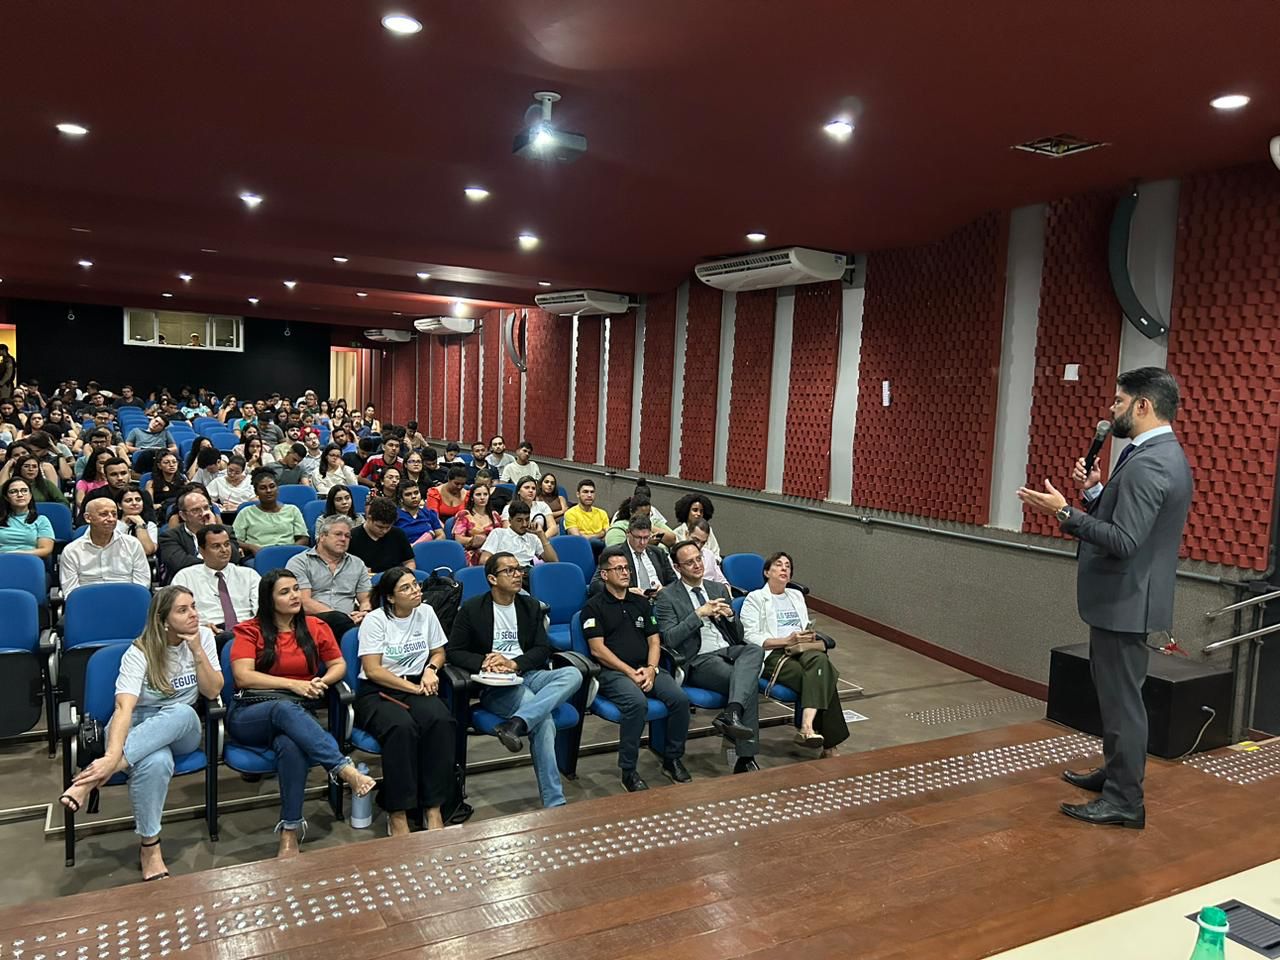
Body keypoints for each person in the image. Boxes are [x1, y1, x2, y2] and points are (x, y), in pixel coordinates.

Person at [1018, 367, 1193, 830]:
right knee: (1118, 697)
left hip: (1125, 600)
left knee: (1122, 704)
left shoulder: (1151, 461)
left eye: (1118, 402)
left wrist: (1066, 513)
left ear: (1143, 406)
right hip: (1127, 598)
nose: (1110, 410)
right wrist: (1095, 490)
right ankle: (1116, 774)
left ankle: (1124, 800)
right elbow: (1130, 522)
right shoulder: (1156, 454)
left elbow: (1124, 540)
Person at [55, 586, 223, 881]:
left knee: (182, 712)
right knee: (156, 761)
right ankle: (150, 848)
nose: (194, 614)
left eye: (194, 606)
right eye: (183, 610)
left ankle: (91, 779)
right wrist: (111, 753)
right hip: (138, 726)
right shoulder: (139, 651)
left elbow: (212, 691)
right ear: (163, 620)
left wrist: (196, 651)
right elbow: (123, 709)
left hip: (182, 729)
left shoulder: (204, 638)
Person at [227, 570, 376, 857]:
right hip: (250, 713)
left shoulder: (316, 627)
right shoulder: (250, 630)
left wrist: (324, 681)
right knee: (283, 707)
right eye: (285, 592)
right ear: (269, 600)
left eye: (296, 589)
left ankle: (290, 831)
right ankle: (343, 768)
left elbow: (338, 665)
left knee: (291, 745)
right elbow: (243, 676)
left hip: (296, 713)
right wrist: (294, 684)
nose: (295, 596)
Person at [446, 552, 582, 808]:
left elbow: (543, 649)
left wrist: (514, 663)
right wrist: (486, 661)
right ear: (492, 578)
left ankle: (517, 723)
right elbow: (455, 652)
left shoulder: (530, 606)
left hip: (529, 674)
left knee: (573, 673)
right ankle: (555, 802)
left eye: (519, 569)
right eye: (509, 571)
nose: (518, 574)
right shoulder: (472, 609)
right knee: (545, 721)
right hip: (497, 686)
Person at [355, 566, 457, 835]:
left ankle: (432, 807)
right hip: (378, 690)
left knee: (441, 720)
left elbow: (438, 652)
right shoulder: (375, 620)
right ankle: (397, 811)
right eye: (406, 588)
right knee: (401, 727)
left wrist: (430, 670)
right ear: (390, 597)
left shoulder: (426, 612)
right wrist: (412, 689)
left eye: (416, 585)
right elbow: (374, 669)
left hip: (417, 683)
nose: (416, 591)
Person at [582, 546, 691, 791]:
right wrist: (630, 673)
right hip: (614, 673)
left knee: (680, 699)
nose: (624, 572)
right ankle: (628, 770)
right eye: (618, 568)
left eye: (626, 568)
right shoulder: (593, 607)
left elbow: (654, 640)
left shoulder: (641, 603)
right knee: (636, 704)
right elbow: (598, 650)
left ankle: (672, 758)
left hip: (646, 667)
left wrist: (652, 669)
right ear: (604, 574)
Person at [654, 540, 763, 774]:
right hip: (700, 658)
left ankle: (731, 713)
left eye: (698, 559)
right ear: (677, 567)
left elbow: (739, 635)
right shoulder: (667, 597)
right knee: (746, 681)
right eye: (689, 562)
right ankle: (746, 757)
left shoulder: (718, 589)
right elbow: (670, 639)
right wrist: (697, 615)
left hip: (729, 649)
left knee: (755, 650)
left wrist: (731, 617)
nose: (696, 565)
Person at [741, 552, 848, 756]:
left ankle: (806, 726)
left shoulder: (796, 595)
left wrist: (805, 635)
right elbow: (750, 636)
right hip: (773, 652)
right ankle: (827, 745)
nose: (784, 569)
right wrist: (786, 640)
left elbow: (804, 624)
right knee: (824, 677)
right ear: (766, 572)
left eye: (788, 566)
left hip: (802, 648)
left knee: (820, 661)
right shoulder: (755, 598)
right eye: (779, 565)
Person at [286, 515, 372, 638]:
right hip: (313, 622)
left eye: (347, 536)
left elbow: (366, 598)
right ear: (322, 536)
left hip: (351, 622)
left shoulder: (357, 563)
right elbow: (304, 601)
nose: (343, 539)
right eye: (338, 534)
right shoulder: (300, 562)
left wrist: (364, 612)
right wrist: (342, 617)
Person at [172, 524, 261, 633]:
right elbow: (177, 614)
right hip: (207, 632)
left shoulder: (249, 575)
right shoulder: (185, 577)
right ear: (201, 551)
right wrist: (201, 628)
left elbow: (261, 610)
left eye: (227, 544)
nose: (224, 550)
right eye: (216, 546)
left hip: (247, 630)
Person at [60, 497, 152, 595]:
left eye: (114, 514)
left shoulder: (132, 544)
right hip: (88, 604)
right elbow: (70, 591)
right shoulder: (72, 551)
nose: (111, 519)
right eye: (104, 514)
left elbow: (142, 583)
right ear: (88, 518)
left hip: (126, 600)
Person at [158, 487, 244, 582]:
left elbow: (234, 558)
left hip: (222, 579)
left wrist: (212, 528)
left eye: (206, 508)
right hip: (187, 583)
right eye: (196, 510)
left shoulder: (225, 531)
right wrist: (214, 564)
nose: (204, 513)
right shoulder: (170, 536)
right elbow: (180, 564)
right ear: (183, 515)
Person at [588, 515, 674, 597]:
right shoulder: (614, 553)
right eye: (638, 537)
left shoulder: (658, 552)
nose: (642, 542)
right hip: (630, 603)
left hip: (660, 601)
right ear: (628, 533)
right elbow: (595, 586)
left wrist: (665, 590)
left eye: (646, 537)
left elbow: (674, 583)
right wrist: (625, 591)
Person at [232, 468, 308, 556]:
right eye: (263, 488)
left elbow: (304, 538)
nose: (268, 491)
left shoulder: (292, 510)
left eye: (272, 486)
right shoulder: (246, 512)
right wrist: (251, 547)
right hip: (259, 556)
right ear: (256, 492)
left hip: (290, 555)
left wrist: (290, 551)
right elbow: (234, 540)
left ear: (277, 489)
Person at [480, 500, 558, 585]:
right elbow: (484, 560)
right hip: (508, 574)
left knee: (555, 578)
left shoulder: (533, 537)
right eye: (519, 520)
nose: (524, 524)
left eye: (527, 519)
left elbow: (553, 561)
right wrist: (510, 568)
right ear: (510, 520)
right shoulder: (499, 533)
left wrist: (541, 534)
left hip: (528, 574)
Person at [349, 496, 415, 574]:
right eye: (380, 527)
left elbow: (409, 562)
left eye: (388, 527)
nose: (384, 531)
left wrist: (407, 573)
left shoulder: (398, 534)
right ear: (369, 518)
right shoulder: (351, 537)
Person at [0, 476, 55, 558]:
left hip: (28, 562)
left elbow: (46, 549)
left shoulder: (41, 520)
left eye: (24, 491)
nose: (20, 495)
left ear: (30, 495)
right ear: (6, 497)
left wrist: (17, 554)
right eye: (13, 492)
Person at [604, 493, 675, 548]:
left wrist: (649, 526)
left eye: (647, 515)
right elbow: (615, 553)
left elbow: (672, 540)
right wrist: (644, 544)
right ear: (631, 512)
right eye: (641, 515)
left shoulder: (654, 522)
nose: (645, 518)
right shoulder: (619, 528)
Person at [453, 482, 499, 566]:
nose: (482, 498)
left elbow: (501, 536)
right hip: (472, 553)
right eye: (478, 495)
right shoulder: (464, 514)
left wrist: (486, 540)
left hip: (492, 553)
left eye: (485, 494)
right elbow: (458, 539)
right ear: (471, 498)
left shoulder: (494, 515)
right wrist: (472, 540)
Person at [671, 493, 722, 559]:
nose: (698, 514)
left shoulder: (708, 530)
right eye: (695, 510)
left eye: (701, 511)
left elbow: (716, 553)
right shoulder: (677, 533)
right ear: (686, 511)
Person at [563, 479, 610, 545]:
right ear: (578, 494)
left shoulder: (602, 513)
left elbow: (609, 536)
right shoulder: (570, 513)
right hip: (580, 547)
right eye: (585, 492)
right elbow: (578, 538)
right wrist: (601, 534)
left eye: (592, 492)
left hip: (601, 549)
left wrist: (585, 536)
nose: (589, 495)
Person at [118, 484, 159, 557]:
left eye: (138, 500)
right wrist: (123, 525)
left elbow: (148, 550)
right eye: (128, 501)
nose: (134, 503)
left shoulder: (149, 525)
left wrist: (140, 524)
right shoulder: (112, 524)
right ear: (119, 506)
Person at [687, 518, 728, 586]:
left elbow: (722, 581)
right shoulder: (677, 556)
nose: (698, 545)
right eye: (695, 540)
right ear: (687, 534)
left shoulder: (709, 555)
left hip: (713, 592)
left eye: (703, 542)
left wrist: (728, 594)